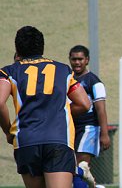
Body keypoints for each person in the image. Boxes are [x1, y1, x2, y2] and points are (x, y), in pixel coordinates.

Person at [0, 26, 91, 188]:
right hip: (59, 139)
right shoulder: (63, 70)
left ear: (17, 49)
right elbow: (84, 103)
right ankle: (80, 173)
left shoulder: (9, 72)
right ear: (42, 47)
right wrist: (56, 113)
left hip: (26, 140)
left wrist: (8, 131)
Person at [69, 45, 111, 188]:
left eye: (80, 59)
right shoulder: (68, 80)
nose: (77, 62)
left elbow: (101, 110)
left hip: (89, 128)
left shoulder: (94, 81)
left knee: (80, 166)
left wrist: (104, 134)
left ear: (87, 60)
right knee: (72, 169)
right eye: (74, 59)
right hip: (71, 128)